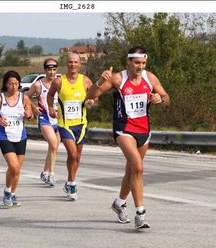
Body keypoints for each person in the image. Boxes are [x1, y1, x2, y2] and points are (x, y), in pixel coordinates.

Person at [86, 46, 170, 229]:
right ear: (129, 62)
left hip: (144, 131)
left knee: (131, 171)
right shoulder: (118, 78)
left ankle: (119, 202)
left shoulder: (150, 78)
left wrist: (160, 99)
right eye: (137, 63)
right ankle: (140, 213)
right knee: (138, 167)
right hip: (124, 129)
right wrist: (100, 81)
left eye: (143, 63)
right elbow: (92, 95)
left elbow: (166, 98)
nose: (140, 66)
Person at [47, 52, 96, 200]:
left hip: (81, 124)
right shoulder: (59, 82)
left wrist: (91, 101)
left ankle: (69, 180)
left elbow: (94, 94)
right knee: (73, 154)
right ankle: (73, 184)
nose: (73, 65)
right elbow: (50, 95)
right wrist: (50, 107)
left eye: (76, 62)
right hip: (65, 124)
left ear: (80, 64)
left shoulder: (86, 81)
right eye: (70, 62)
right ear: (67, 64)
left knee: (76, 157)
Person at [0, 70, 33, 207]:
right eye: (11, 84)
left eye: (16, 84)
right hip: (4, 135)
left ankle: (12, 194)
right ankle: (7, 191)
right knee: (14, 166)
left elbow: (30, 114)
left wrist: (28, 115)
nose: (13, 86)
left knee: (17, 169)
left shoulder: (24, 98)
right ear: (6, 84)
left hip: (20, 135)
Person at [26, 58, 61, 187]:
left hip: (58, 118)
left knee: (54, 147)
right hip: (44, 117)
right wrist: (34, 108)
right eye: (49, 70)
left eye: (54, 70)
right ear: (45, 70)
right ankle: (51, 175)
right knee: (52, 143)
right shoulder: (38, 85)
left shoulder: (60, 83)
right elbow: (25, 97)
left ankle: (45, 172)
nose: (52, 72)